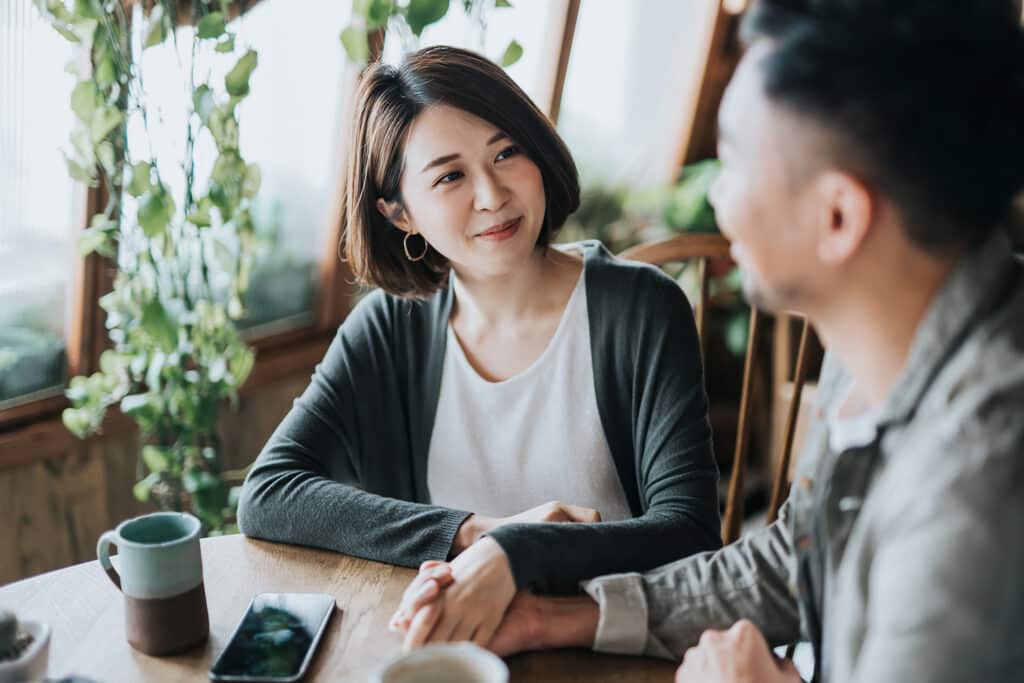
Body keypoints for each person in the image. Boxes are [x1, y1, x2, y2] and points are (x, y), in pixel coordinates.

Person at [393, 2, 1024, 681]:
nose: (718, 201)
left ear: (838, 216)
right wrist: (561, 617)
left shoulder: (979, 486)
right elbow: (794, 561)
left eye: (735, 165)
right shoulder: (873, 342)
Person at [236, 46, 723, 651]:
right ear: (400, 214)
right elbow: (269, 494)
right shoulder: (389, 330)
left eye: (506, 152)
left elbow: (691, 534)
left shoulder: (643, 309)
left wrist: (517, 552)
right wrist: (473, 533)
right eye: (450, 176)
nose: (492, 195)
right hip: (464, 653)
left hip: (614, 651)